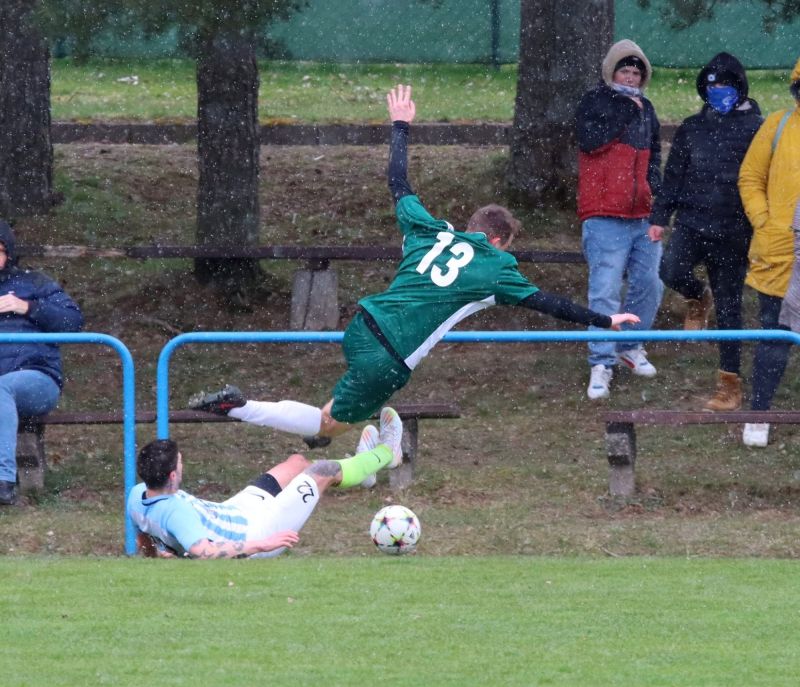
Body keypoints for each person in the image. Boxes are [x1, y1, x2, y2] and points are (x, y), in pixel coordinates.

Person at [189, 84, 639, 445]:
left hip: (363, 325)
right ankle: (243, 407)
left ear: (472, 225)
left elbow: (398, 181)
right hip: (390, 357)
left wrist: (401, 126)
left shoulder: (429, 230)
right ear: (499, 240)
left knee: (330, 422)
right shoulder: (497, 265)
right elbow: (548, 302)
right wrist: (605, 319)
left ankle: (327, 433)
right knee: (328, 424)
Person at [127, 407, 403, 559]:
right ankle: (389, 453)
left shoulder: (138, 495)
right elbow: (206, 552)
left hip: (235, 512)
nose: (182, 464)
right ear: (173, 476)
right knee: (322, 470)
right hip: (257, 532)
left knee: (296, 463)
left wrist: (155, 556)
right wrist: (263, 544)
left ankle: (364, 469)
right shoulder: (176, 513)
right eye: (180, 462)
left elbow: (143, 532)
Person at [648, 53, 762, 411]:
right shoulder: (691, 128)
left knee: (731, 310)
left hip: (734, 230)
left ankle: (729, 384)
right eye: (712, 85)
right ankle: (698, 296)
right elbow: (673, 176)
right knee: (670, 270)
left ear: (739, 87)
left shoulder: (759, 127)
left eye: (725, 84)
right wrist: (660, 215)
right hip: (692, 223)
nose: (719, 91)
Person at [576, 39, 664, 401]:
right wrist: (624, 110)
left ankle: (629, 346)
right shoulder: (595, 102)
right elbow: (589, 142)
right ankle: (601, 361)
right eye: (624, 71)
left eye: (636, 72)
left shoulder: (648, 109)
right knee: (605, 291)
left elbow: (654, 156)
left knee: (650, 283)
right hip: (603, 215)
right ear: (610, 72)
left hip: (642, 217)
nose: (630, 77)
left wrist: (657, 197)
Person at [737, 56, 800, 447]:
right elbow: (751, 177)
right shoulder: (777, 126)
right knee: (774, 337)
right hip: (778, 254)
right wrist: (764, 220)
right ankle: (758, 415)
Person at [0, 219, 83, 505]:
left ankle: (4, 481)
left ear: (8, 252)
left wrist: (28, 307)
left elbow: (72, 322)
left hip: (36, 378)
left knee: (1, 390)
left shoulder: (34, 283)